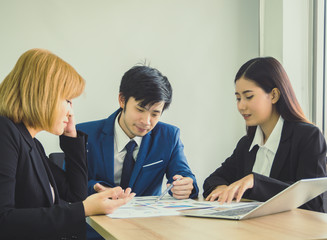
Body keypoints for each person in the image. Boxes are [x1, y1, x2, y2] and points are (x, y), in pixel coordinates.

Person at [0, 49, 135, 240]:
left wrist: (71, 137)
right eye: (68, 100)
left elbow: (75, 195)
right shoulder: (5, 132)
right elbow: (4, 221)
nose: (71, 112)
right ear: (43, 94)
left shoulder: (33, 144)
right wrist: (85, 209)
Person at [203, 57, 327, 213]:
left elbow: (314, 201)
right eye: (238, 98)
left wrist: (256, 182)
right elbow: (213, 180)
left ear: (274, 95)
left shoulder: (308, 137)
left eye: (249, 97)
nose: (241, 106)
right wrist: (222, 189)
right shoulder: (247, 144)